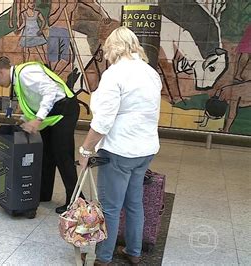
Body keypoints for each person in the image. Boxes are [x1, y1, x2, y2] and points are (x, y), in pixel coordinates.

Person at [78, 27, 162, 265]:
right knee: (134, 202)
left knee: (111, 207)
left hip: (119, 151)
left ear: (112, 48)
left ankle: (103, 258)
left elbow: (103, 122)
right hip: (145, 149)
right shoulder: (150, 73)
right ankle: (134, 252)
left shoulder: (115, 74)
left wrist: (85, 150)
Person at [0, 58, 80, 214]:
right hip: (52, 114)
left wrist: (38, 120)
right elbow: (34, 101)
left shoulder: (26, 73)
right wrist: (25, 120)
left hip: (64, 110)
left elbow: (50, 92)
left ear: (1, 72)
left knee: (63, 157)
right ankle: (44, 194)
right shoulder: (18, 80)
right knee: (47, 155)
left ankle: (76, 201)